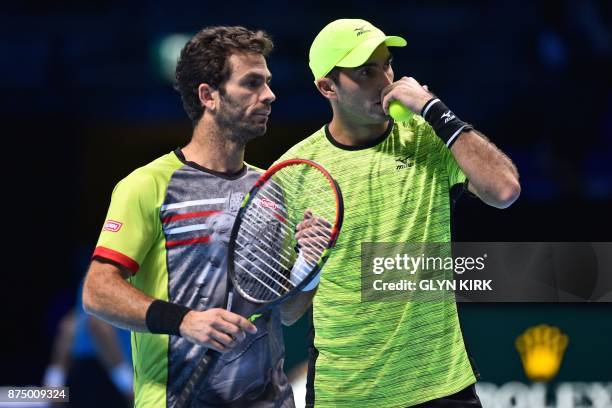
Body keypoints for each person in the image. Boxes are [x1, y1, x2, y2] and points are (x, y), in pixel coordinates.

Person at [276, 19, 521, 407]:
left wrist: (432, 108)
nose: (385, 80)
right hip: (346, 394)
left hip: (441, 386)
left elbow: (504, 190)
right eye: (365, 72)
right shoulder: (296, 171)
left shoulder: (428, 137)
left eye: (386, 65)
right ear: (327, 87)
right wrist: (310, 263)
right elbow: (288, 312)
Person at [83, 26, 302, 407]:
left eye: (266, 82)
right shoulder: (147, 185)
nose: (269, 95)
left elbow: (287, 312)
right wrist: (184, 320)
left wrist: (308, 262)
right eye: (251, 83)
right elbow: (97, 290)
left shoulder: (270, 189)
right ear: (208, 96)